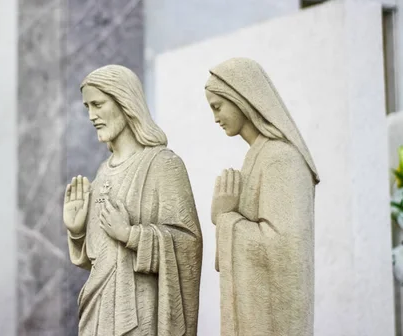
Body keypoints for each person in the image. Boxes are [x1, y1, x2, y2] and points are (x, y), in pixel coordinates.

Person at [64, 64, 203, 336]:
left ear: (124, 102)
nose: (91, 116)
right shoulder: (103, 171)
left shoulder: (163, 165)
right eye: (87, 108)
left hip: (140, 311)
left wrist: (132, 235)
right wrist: (78, 231)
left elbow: (188, 245)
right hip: (98, 308)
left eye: (97, 104)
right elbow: (99, 255)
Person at [205, 57, 320, 336]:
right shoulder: (257, 155)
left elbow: (284, 249)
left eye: (217, 106)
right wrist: (223, 220)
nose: (215, 118)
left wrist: (226, 218)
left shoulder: (281, 158)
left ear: (240, 97)